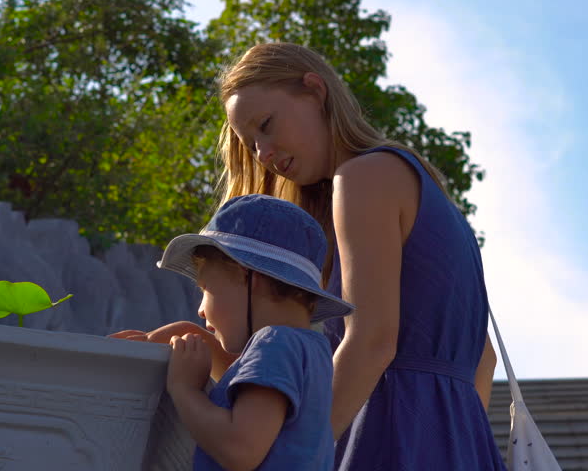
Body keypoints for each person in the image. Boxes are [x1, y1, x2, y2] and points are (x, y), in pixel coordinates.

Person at [213, 42, 506, 470]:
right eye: (251, 144)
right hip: (461, 441)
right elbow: (483, 358)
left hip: (386, 435)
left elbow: (371, 341)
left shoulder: (363, 176)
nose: (264, 154)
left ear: (315, 91)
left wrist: (292, 457)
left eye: (267, 125)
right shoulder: (419, 184)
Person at [113, 194, 354, 470]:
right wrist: (184, 334)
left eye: (205, 290)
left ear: (246, 277)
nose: (201, 309)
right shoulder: (311, 348)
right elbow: (242, 380)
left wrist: (185, 390)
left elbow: (240, 449)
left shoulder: (274, 343)